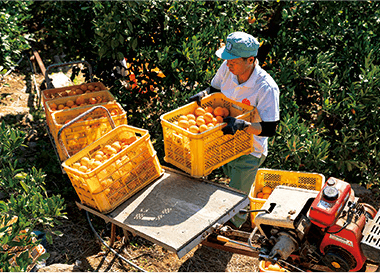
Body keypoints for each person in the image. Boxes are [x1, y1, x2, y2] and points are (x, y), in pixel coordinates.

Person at [189, 31, 280, 228]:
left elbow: (270, 128)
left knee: (237, 195)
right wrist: (203, 94)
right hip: (225, 139)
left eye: (233, 61)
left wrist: (244, 126)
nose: (228, 64)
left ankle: (232, 228)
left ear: (250, 60)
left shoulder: (266, 88)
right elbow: (214, 90)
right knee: (229, 184)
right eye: (227, 60)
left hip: (250, 149)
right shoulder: (228, 68)